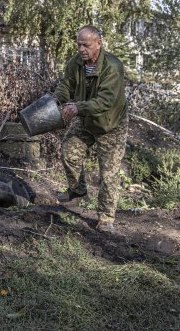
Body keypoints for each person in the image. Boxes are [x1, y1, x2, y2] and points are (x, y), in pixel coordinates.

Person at [54, 25, 128, 234]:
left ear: (98, 43)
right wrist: (55, 99)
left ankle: (105, 219)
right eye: (78, 44)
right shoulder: (75, 63)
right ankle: (77, 190)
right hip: (86, 119)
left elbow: (105, 101)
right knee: (69, 151)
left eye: (85, 45)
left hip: (110, 124)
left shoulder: (112, 67)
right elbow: (65, 85)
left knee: (109, 173)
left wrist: (77, 107)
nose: (81, 49)